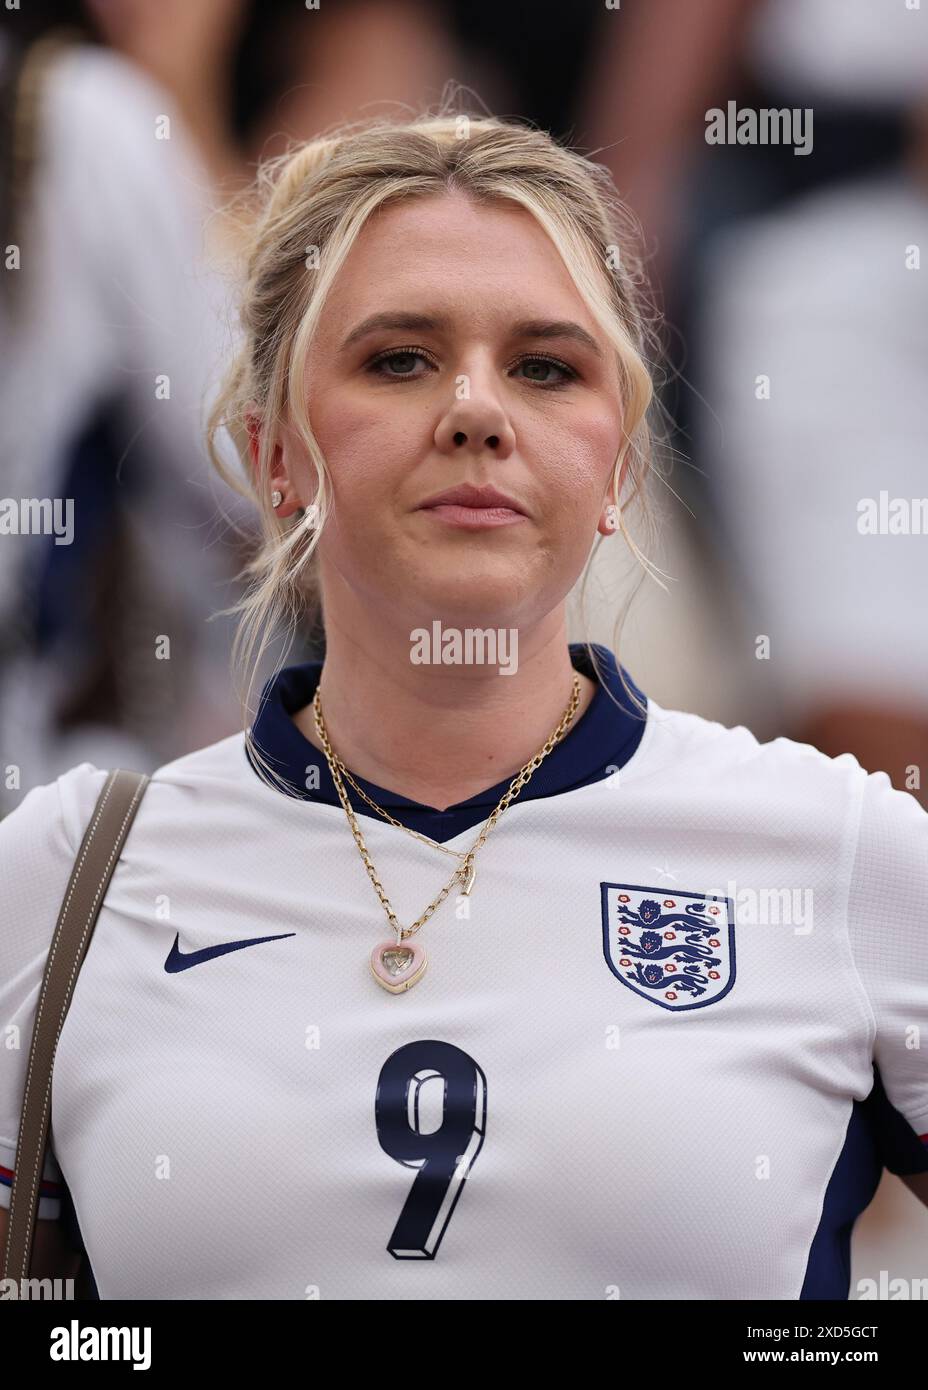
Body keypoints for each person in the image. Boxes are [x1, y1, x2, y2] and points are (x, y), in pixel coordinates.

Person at [1, 111, 926, 1301]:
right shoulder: (69, 872)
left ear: (619, 466)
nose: (476, 412)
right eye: (399, 359)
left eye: (545, 367)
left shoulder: (840, 851)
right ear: (275, 453)